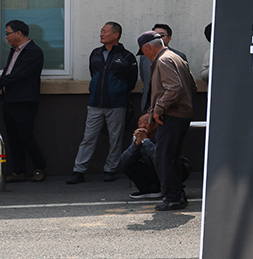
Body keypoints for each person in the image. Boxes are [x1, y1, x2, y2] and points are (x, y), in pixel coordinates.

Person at [68, 22, 139, 184]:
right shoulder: (96, 53)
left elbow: (131, 81)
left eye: (105, 31)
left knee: (115, 138)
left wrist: (119, 91)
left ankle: (110, 169)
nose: (101, 34)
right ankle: (79, 171)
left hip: (117, 104)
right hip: (95, 104)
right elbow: (94, 74)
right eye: (101, 31)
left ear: (116, 35)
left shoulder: (126, 57)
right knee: (88, 137)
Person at [137, 30, 195, 211]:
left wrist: (159, 108)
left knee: (163, 157)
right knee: (172, 157)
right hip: (182, 113)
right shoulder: (176, 58)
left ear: (147, 47)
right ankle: (178, 195)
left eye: (143, 52)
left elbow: (173, 88)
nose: (145, 56)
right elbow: (192, 86)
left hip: (172, 115)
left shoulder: (162, 61)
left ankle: (173, 197)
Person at [0, 20, 47, 182]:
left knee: (25, 135)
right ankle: (18, 171)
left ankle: (39, 167)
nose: (6, 37)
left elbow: (20, 74)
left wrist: (1, 82)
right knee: (12, 136)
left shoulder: (34, 52)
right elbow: (8, 72)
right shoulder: (13, 51)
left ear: (18, 33)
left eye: (8, 33)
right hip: (9, 99)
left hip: (25, 100)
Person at [139, 23, 186, 114]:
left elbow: (180, 83)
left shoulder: (177, 56)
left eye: (161, 35)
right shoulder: (144, 56)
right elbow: (144, 76)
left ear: (169, 38)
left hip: (169, 105)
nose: (158, 38)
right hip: (148, 101)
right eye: (155, 35)